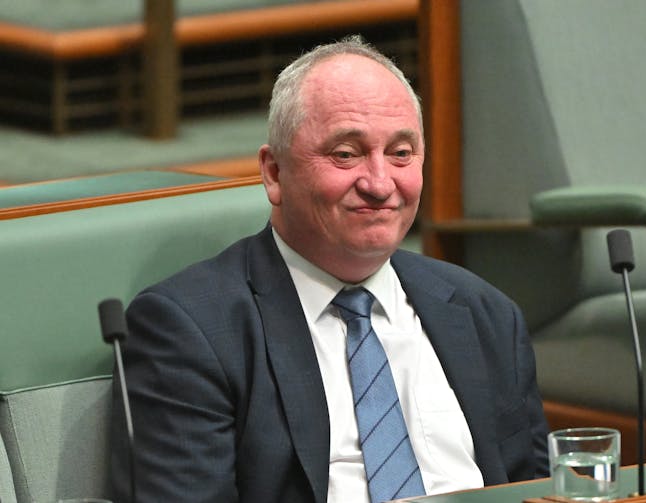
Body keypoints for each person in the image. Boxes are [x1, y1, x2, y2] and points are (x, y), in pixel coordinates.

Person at [110, 35, 549, 503]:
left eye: (401, 153)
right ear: (274, 173)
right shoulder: (190, 330)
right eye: (346, 154)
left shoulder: (485, 314)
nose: (380, 184)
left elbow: (542, 491)